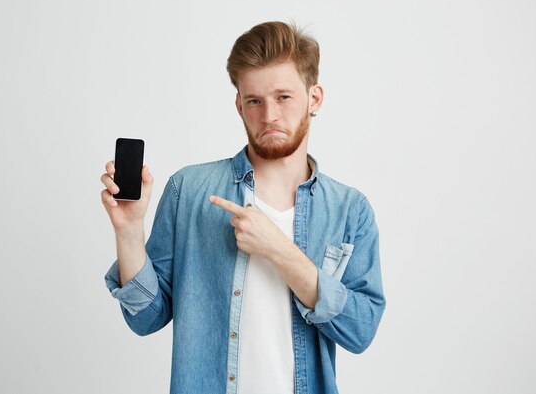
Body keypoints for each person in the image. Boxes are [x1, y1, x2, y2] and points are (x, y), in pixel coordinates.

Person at [101, 21, 385, 394]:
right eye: (255, 100)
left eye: (283, 97)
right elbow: (146, 319)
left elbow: (360, 330)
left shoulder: (350, 209)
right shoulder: (188, 190)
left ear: (313, 98)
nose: (269, 116)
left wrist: (279, 249)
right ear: (239, 105)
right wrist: (129, 231)